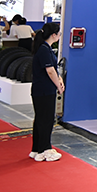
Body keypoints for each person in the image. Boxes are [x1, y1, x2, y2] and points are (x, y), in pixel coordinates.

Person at [30, 21, 64, 162]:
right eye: (59, 33)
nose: (60, 35)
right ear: (54, 35)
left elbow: (53, 69)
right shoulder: (44, 49)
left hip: (42, 89)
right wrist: (58, 86)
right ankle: (45, 150)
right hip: (44, 90)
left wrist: (59, 79)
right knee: (46, 120)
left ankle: (37, 149)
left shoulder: (45, 48)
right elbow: (50, 71)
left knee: (41, 119)